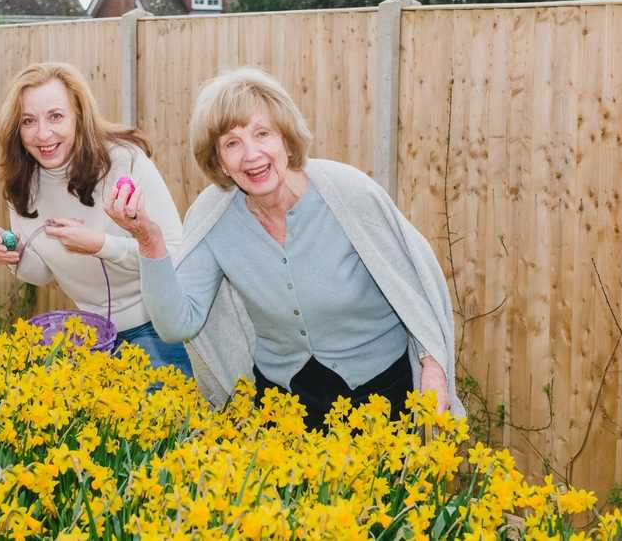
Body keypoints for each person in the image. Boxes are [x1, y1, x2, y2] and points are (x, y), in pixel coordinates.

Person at [105, 67, 464, 429]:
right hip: (283, 403)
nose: (251, 155)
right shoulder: (214, 217)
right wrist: (148, 240)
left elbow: (416, 287)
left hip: (380, 395)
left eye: (262, 134)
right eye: (232, 143)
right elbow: (176, 324)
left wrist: (432, 364)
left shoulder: (349, 195)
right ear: (219, 163)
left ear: (286, 139)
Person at [0, 62, 191, 377]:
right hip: (92, 337)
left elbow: (176, 255)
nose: (43, 133)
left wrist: (101, 246)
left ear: (79, 116)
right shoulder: (22, 184)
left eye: (56, 116)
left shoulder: (124, 161)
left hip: (161, 330)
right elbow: (41, 274)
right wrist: (15, 255)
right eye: (28, 120)